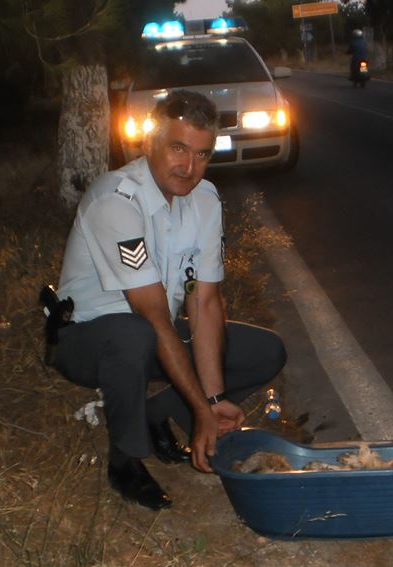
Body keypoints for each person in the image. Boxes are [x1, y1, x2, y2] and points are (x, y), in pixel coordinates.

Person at [47, 89, 287, 511]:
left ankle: (158, 412)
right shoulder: (116, 199)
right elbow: (153, 315)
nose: (189, 166)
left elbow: (205, 302)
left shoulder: (206, 200)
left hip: (147, 334)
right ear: (150, 143)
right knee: (133, 333)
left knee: (265, 351)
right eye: (178, 148)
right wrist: (201, 410)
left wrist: (211, 402)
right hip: (86, 338)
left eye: (202, 153)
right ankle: (126, 461)